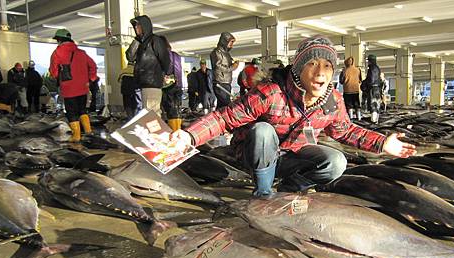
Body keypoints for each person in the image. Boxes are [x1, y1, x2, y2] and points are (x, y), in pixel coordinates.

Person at [170, 36, 416, 197]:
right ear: (299, 68)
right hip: (255, 154)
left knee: (336, 161)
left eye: (328, 66)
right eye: (313, 64)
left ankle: (290, 188)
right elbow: (225, 118)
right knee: (262, 131)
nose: (321, 72)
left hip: (291, 157)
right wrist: (190, 136)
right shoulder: (270, 93)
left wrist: (383, 143)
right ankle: (264, 193)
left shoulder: (332, 101)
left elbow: (346, 131)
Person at [49, 28, 97, 142]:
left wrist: (57, 77)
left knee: (72, 112)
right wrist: (90, 78)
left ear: (59, 40)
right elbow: (93, 66)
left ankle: (76, 136)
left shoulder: (57, 53)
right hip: (83, 87)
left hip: (68, 88)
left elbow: (53, 71)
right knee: (82, 110)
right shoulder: (81, 52)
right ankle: (88, 131)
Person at [126, 15, 171, 117]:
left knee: (152, 113)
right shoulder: (140, 43)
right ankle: (154, 132)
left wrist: (165, 74)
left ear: (145, 26)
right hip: (143, 83)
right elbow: (130, 56)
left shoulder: (155, 40)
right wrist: (136, 41)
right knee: (148, 113)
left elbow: (165, 59)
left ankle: (156, 132)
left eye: (139, 26)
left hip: (152, 82)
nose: (137, 29)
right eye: (135, 27)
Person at [160, 36, 183, 131]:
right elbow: (179, 71)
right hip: (177, 85)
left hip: (167, 87)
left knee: (169, 111)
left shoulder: (162, 55)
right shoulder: (176, 55)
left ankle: (172, 132)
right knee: (176, 110)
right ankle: (177, 130)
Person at [210, 32, 238, 109]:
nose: (232, 45)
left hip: (225, 83)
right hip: (220, 83)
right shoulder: (216, 52)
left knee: (222, 106)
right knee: (226, 104)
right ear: (224, 41)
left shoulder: (226, 54)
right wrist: (232, 67)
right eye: (230, 42)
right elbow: (218, 66)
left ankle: (218, 120)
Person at [338, 56, 362, 120]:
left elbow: (341, 81)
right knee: (357, 104)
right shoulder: (358, 70)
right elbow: (360, 80)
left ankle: (350, 118)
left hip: (347, 91)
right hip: (356, 90)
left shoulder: (344, 71)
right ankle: (359, 117)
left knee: (349, 105)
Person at [361, 54, 381, 123]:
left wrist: (365, 83)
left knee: (373, 104)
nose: (368, 62)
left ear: (370, 61)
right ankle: (376, 120)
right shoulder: (377, 68)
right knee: (376, 104)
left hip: (372, 88)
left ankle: (373, 121)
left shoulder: (371, 68)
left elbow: (371, 79)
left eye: (368, 61)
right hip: (377, 88)